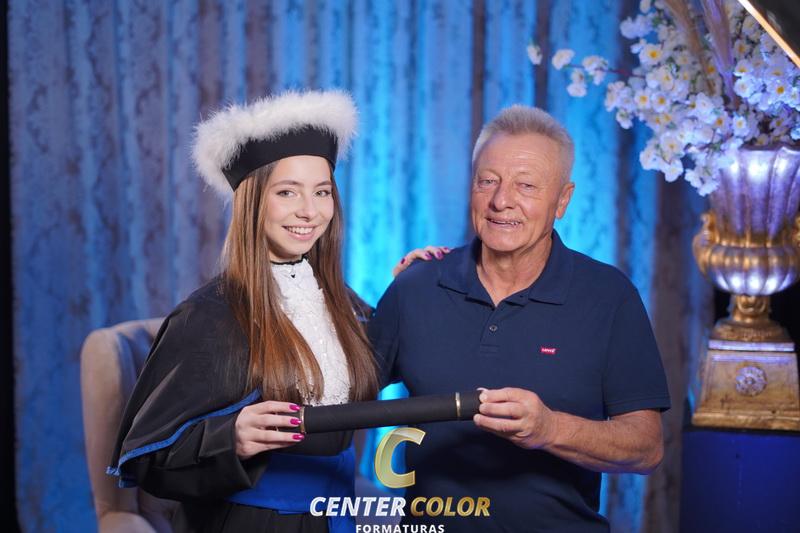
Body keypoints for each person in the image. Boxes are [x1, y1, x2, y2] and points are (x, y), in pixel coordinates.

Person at [107, 90, 428, 533]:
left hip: (336, 518)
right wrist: (230, 438)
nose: (310, 211)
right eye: (287, 192)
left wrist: (416, 285)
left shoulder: (341, 301)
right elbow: (146, 460)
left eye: (321, 192)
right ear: (253, 201)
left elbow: (387, 362)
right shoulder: (209, 315)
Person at [369, 105, 670, 532]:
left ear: (562, 200)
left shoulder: (609, 296)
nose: (501, 201)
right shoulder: (417, 285)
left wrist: (550, 429)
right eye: (487, 181)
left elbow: (646, 447)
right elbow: (340, 387)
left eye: (525, 185)